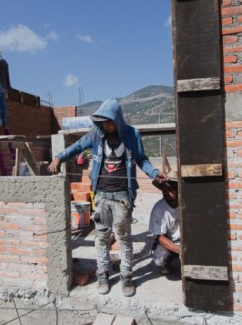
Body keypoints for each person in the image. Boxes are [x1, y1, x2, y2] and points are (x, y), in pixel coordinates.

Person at [47, 98, 167, 297]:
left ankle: (126, 276)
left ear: (117, 120)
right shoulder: (96, 134)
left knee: (124, 239)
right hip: (101, 195)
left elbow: (142, 160)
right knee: (102, 237)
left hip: (122, 197)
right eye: (102, 122)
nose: (106, 125)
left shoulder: (132, 134)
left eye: (109, 122)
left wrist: (155, 173)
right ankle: (103, 275)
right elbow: (77, 146)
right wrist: (59, 157)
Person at [149, 178, 181, 274]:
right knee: (159, 258)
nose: (167, 193)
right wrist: (181, 251)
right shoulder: (159, 208)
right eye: (164, 190)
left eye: (170, 190)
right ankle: (167, 263)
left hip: (187, 240)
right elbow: (160, 237)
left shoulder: (186, 202)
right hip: (170, 241)